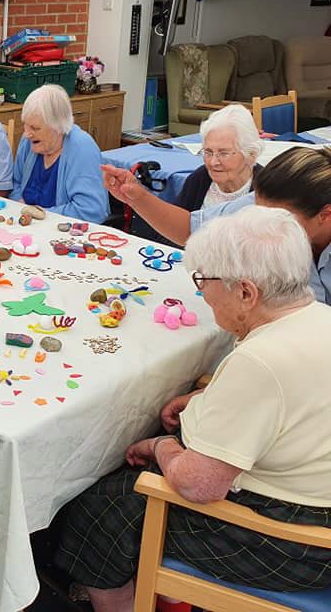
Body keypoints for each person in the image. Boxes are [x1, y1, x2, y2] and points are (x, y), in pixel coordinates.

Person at [54, 206, 331, 612]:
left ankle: (130, 598)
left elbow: (201, 485)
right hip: (316, 504)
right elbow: (291, 402)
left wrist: (160, 446)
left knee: (102, 507)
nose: (202, 293)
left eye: (204, 281)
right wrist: (210, 398)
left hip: (293, 544)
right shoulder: (318, 319)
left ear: (246, 292)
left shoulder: (261, 361)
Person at [101, 146, 331, 304]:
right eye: (257, 210)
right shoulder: (267, 202)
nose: (261, 224)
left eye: (276, 220)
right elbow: (190, 229)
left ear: (326, 215)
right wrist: (136, 196)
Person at [10, 84, 109, 222]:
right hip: (26, 224)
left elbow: (91, 210)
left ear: (58, 127)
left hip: (65, 232)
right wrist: (19, 204)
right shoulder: (30, 141)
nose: (27, 134)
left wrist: (41, 215)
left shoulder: (83, 148)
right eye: (25, 125)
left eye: (35, 128)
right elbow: (15, 182)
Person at [175, 104, 262, 211]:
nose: (213, 162)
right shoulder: (198, 179)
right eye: (208, 152)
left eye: (223, 153)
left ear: (251, 155)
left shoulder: (270, 190)